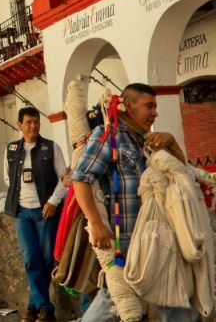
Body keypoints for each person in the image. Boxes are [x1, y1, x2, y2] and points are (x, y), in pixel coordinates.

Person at [73, 83, 195, 322]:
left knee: (173, 293)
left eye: (156, 106)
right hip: (122, 238)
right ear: (129, 105)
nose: (155, 112)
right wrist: (96, 222)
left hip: (154, 237)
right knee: (115, 299)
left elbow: (185, 174)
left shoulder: (150, 143)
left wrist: (170, 141)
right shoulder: (109, 136)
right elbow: (81, 179)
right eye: (149, 106)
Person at [3, 107, 69, 322]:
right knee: (30, 258)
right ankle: (45, 307)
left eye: (36, 122)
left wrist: (52, 201)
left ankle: (33, 306)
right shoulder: (11, 149)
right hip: (21, 211)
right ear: (19, 125)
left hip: (45, 211)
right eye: (28, 122)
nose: (33, 126)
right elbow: (8, 179)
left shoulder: (51, 148)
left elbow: (64, 179)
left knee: (47, 259)